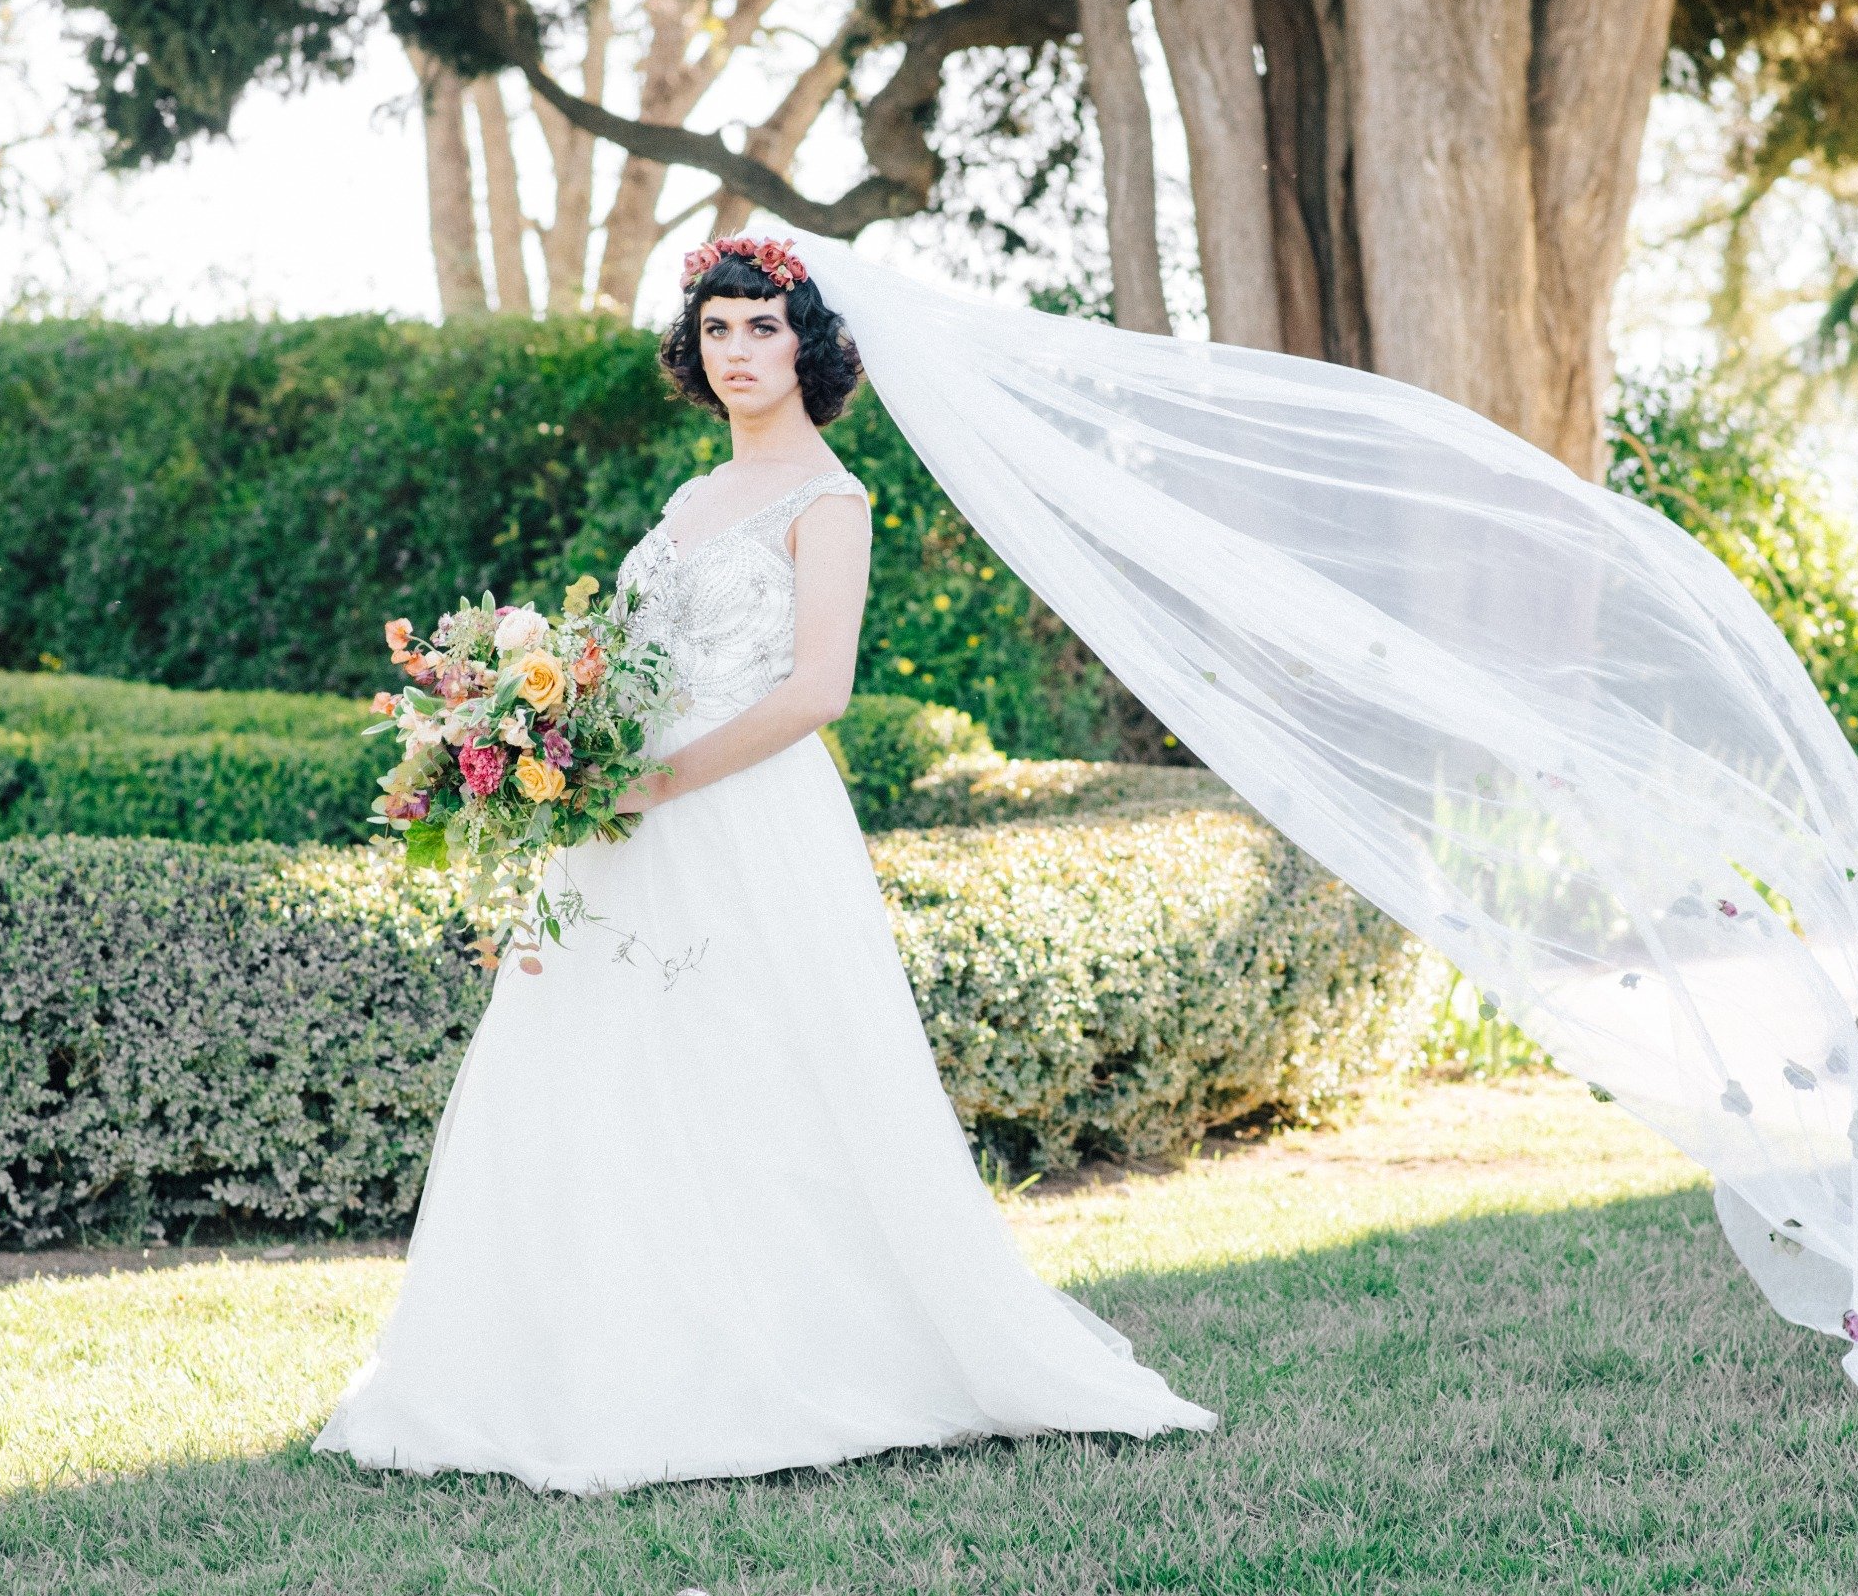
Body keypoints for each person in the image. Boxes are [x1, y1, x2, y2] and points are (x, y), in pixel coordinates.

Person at [314, 235, 1216, 1496]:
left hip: (739, 817)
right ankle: (563, 1361)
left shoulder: (829, 500)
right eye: (719, 329)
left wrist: (651, 783)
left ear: (811, 347)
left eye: (763, 328)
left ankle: (783, 1354)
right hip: (618, 823)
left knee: (753, 1070)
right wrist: (520, 711)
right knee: (592, 1071)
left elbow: (816, 690)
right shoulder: (687, 502)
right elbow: (613, 662)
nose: (738, 351)